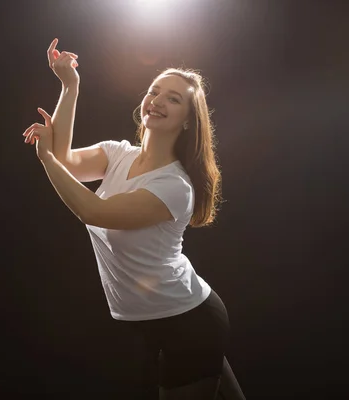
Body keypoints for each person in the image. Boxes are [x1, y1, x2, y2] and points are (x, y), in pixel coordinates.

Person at [22, 38, 246, 400]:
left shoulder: (174, 187)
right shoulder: (116, 154)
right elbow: (66, 161)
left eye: (173, 98)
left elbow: (93, 211)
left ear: (189, 121)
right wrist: (69, 85)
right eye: (154, 91)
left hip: (189, 322)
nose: (157, 101)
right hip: (150, 323)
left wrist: (46, 157)